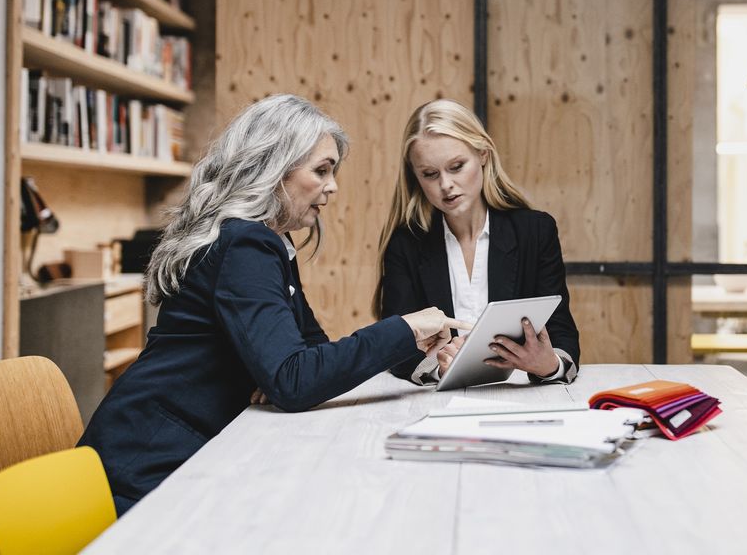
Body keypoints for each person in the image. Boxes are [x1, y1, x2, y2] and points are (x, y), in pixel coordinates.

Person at [78, 94, 468, 516]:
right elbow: (295, 378)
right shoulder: (245, 244)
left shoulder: (272, 242)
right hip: (143, 471)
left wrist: (289, 371)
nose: (333, 186)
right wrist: (405, 330)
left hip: (181, 456)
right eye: (321, 170)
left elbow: (307, 356)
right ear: (275, 169)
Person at [374, 99, 580, 386]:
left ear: (483, 154)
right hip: (436, 406)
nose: (445, 185)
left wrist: (548, 364)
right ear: (416, 177)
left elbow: (562, 334)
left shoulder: (536, 231)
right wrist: (439, 367)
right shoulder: (405, 244)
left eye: (457, 167)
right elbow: (397, 346)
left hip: (522, 399)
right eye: (430, 174)